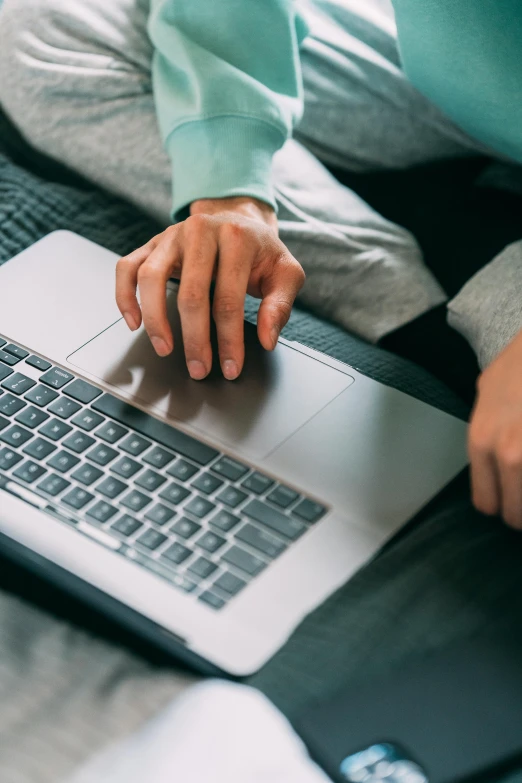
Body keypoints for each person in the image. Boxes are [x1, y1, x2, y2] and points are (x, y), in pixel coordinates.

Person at [0, 0, 521, 530]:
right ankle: (411, 308)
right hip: (464, 71)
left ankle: (464, 308)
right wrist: (229, 185)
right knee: (43, 22)